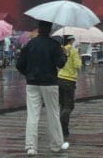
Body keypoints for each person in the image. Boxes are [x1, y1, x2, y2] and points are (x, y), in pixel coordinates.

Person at [15, 20, 69, 156]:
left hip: (32, 83)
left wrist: (28, 74)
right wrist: (64, 55)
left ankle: (31, 146)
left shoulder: (29, 44)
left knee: (32, 115)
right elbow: (61, 64)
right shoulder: (54, 45)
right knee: (53, 114)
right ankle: (56, 145)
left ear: (38, 29)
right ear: (50, 30)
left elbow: (19, 64)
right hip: (50, 83)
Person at [56, 34, 82, 139]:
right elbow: (77, 65)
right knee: (69, 106)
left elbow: (58, 64)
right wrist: (79, 57)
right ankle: (60, 122)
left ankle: (64, 129)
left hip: (59, 78)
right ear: (71, 40)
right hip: (69, 80)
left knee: (62, 105)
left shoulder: (61, 50)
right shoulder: (74, 51)